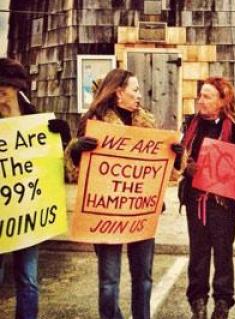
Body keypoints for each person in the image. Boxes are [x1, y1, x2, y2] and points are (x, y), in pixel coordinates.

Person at [64, 68, 182, 319]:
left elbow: (163, 170)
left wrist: (175, 156)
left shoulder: (146, 122)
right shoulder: (94, 122)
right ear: (119, 92)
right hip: (106, 212)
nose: (139, 95)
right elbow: (75, 172)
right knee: (109, 281)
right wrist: (76, 150)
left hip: (140, 211)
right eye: (135, 90)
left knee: (144, 278)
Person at [175, 77, 235, 319]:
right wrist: (183, 162)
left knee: (222, 252)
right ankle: (197, 302)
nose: (201, 100)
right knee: (198, 252)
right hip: (194, 198)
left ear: (222, 101)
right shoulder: (190, 124)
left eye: (207, 96)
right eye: (200, 96)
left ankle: (222, 303)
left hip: (223, 202)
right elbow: (179, 162)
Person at [0, 57, 71, 319]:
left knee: (27, 278)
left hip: (27, 213)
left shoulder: (35, 120)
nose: (0, 96)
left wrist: (62, 137)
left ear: (16, 89)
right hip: (2, 211)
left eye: (3, 90)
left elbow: (52, 164)